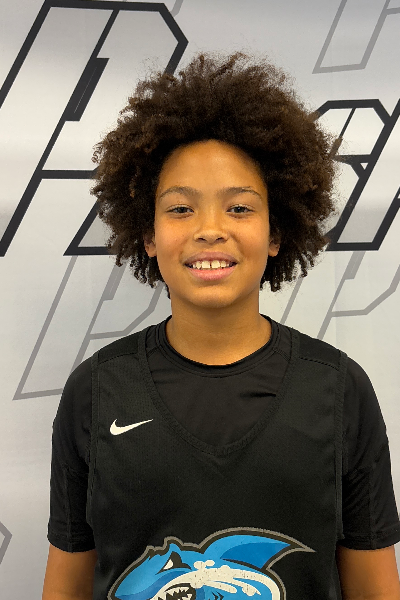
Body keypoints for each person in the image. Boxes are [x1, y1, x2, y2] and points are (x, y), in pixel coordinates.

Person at [42, 51, 400, 600]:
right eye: (180, 209)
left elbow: (375, 586)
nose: (210, 229)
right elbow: (66, 582)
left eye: (239, 208)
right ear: (148, 235)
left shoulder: (338, 389)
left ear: (276, 233)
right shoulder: (95, 391)